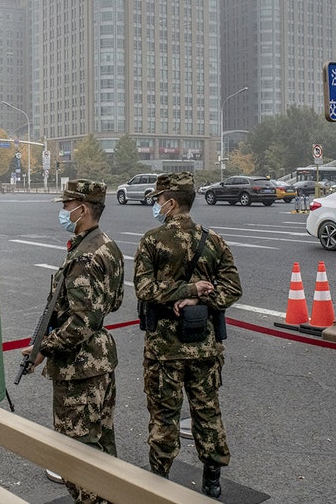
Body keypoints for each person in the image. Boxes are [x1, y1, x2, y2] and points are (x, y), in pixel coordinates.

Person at [133, 172, 243, 499]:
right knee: (207, 410)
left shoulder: (153, 240)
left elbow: (144, 289)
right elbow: (233, 288)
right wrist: (200, 295)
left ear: (171, 202)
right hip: (204, 345)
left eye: (158, 200)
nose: (156, 205)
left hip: (164, 349)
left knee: (164, 415)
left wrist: (187, 291)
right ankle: (212, 480)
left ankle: (160, 478)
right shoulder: (213, 241)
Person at [21, 179, 125, 504]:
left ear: (82, 209)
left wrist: (44, 348)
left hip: (78, 371)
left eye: (67, 206)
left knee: (76, 460)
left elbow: (79, 323)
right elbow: (115, 302)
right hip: (101, 361)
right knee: (103, 453)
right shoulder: (106, 245)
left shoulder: (85, 257)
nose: (63, 212)